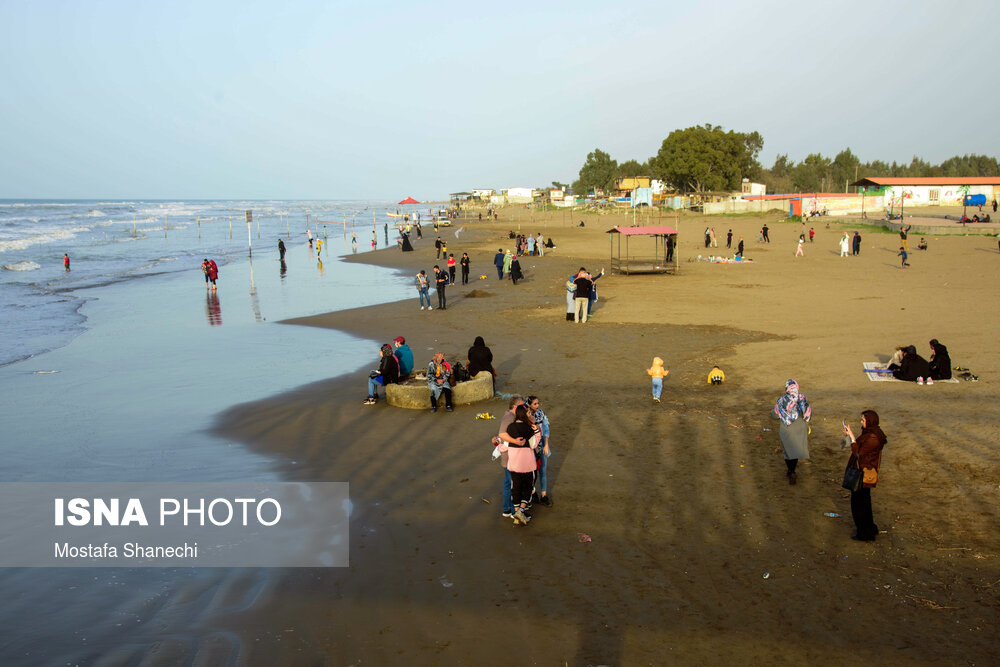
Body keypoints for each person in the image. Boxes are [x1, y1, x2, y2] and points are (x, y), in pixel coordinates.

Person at [843, 410, 887, 542]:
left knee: (859, 505)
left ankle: (864, 533)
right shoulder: (872, 434)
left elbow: (859, 454)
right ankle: (870, 528)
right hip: (864, 473)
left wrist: (851, 437)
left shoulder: (872, 437)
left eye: (863, 420)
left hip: (862, 474)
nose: (861, 422)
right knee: (865, 503)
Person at [499, 404, 540, 525]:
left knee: (515, 489)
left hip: (514, 466)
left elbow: (503, 447)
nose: (530, 415)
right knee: (528, 488)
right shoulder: (529, 428)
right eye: (528, 413)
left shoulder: (510, 428)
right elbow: (534, 444)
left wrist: (498, 442)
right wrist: (536, 429)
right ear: (524, 414)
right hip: (528, 465)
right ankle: (521, 510)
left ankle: (516, 512)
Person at [772, 379, 811, 485]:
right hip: (800, 427)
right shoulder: (802, 398)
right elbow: (808, 414)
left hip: (787, 428)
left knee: (787, 451)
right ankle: (792, 470)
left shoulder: (782, 400)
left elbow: (775, 414)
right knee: (796, 450)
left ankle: (791, 470)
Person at [495, 395, 525, 518]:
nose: (524, 407)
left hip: (508, 456)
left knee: (508, 483)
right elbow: (501, 434)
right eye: (522, 406)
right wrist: (516, 441)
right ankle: (513, 510)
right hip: (510, 457)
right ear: (515, 406)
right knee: (514, 484)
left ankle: (507, 509)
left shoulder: (510, 416)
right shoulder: (509, 417)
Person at [527, 395, 553, 506]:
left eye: (538, 403)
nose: (537, 406)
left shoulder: (541, 413)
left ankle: (543, 495)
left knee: (542, 470)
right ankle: (533, 492)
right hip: (530, 449)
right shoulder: (525, 416)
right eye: (535, 404)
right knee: (531, 473)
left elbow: (546, 429)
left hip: (541, 446)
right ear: (529, 404)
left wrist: (546, 445)